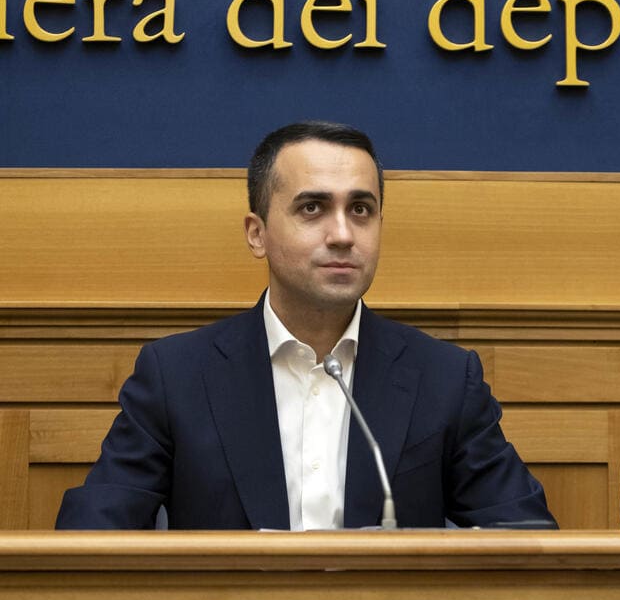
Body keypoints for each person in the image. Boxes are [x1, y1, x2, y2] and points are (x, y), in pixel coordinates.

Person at [57, 121, 556, 530]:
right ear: (258, 234)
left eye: (361, 210)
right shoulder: (176, 376)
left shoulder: (445, 378)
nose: (342, 235)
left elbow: (525, 536)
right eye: (312, 208)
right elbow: (92, 537)